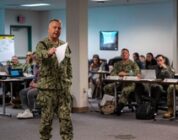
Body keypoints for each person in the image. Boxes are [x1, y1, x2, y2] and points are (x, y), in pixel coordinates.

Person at [35, 19, 73, 140]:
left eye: (59, 28)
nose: (57, 30)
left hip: (63, 88)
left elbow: (68, 65)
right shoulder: (43, 44)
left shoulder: (64, 45)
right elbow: (38, 55)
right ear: (49, 29)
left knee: (66, 120)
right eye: (54, 27)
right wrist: (48, 53)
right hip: (48, 90)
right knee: (47, 121)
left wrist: (69, 79)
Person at [102, 48, 140, 115]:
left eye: (126, 53)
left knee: (125, 90)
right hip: (119, 82)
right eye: (123, 53)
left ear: (128, 55)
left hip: (129, 84)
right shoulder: (117, 64)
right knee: (107, 87)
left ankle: (119, 108)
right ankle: (111, 104)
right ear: (121, 55)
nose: (124, 54)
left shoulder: (133, 63)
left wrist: (126, 74)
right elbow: (112, 73)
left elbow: (137, 72)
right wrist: (119, 74)